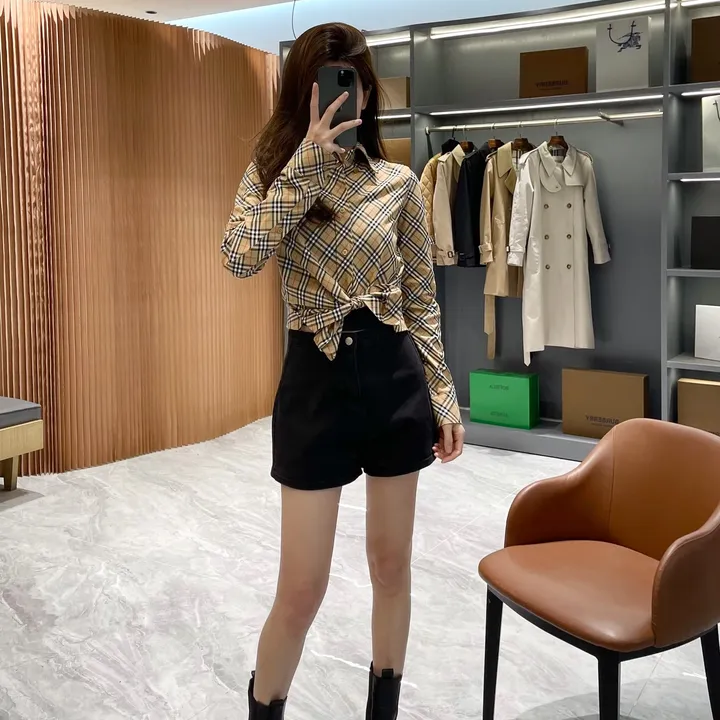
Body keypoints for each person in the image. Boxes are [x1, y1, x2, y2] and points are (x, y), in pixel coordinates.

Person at [221, 22, 464, 720]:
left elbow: (420, 299)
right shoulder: (274, 174)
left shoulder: (398, 183)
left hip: (393, 380)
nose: (337, 96)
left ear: (367, 92)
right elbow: (239, 256)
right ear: (301, 94)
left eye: (349, 82)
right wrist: (304, 165)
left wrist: (442, 393)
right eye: (323, 84)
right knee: (301, 589)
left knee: (391, 567)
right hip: (315, 384)